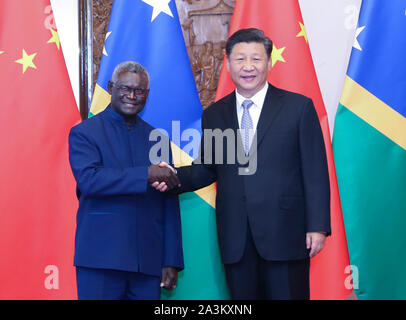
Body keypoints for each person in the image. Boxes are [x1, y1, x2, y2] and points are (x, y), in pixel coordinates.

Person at [155, 28, 331, 300]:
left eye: (256, 59)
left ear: (269, 63)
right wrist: (169, 177)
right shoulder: (215, 114)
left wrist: (317, 226)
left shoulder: (298, 108)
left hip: (286, 234)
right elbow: (206, 168)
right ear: (227, 63)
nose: (248, 67)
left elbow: (315, 171)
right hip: (236, 239)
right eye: (240, 59)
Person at [68, 61, 183, 300]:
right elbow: (90, 180)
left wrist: (171, 259)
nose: (132, 95)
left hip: (148, 263)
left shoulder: (158, 138)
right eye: (125, 88)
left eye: (139, 91)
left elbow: (169, 203)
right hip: (101, 260)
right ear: (111, 87)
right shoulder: (84, 132)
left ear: (147, 95)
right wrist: (147, 174)